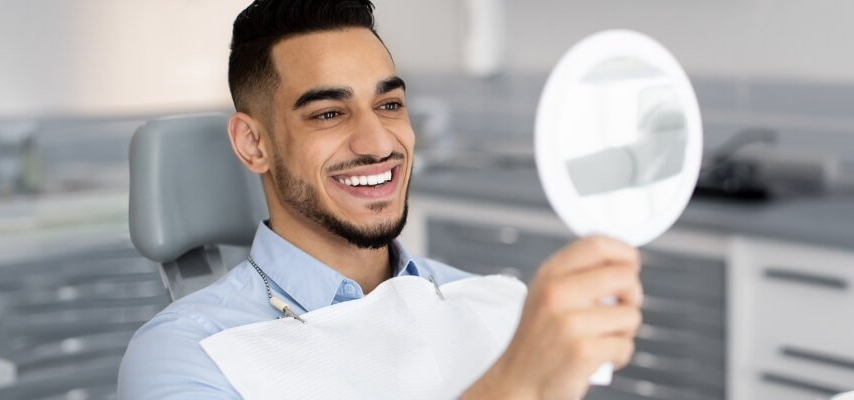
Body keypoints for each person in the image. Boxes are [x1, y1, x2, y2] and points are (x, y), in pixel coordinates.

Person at [117, 1, 644, 398]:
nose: (378, 143)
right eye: (328, 113)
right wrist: (516, 385)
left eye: (389, 104)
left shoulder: (501, 304)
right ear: (254, 144)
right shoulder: (186, 356)